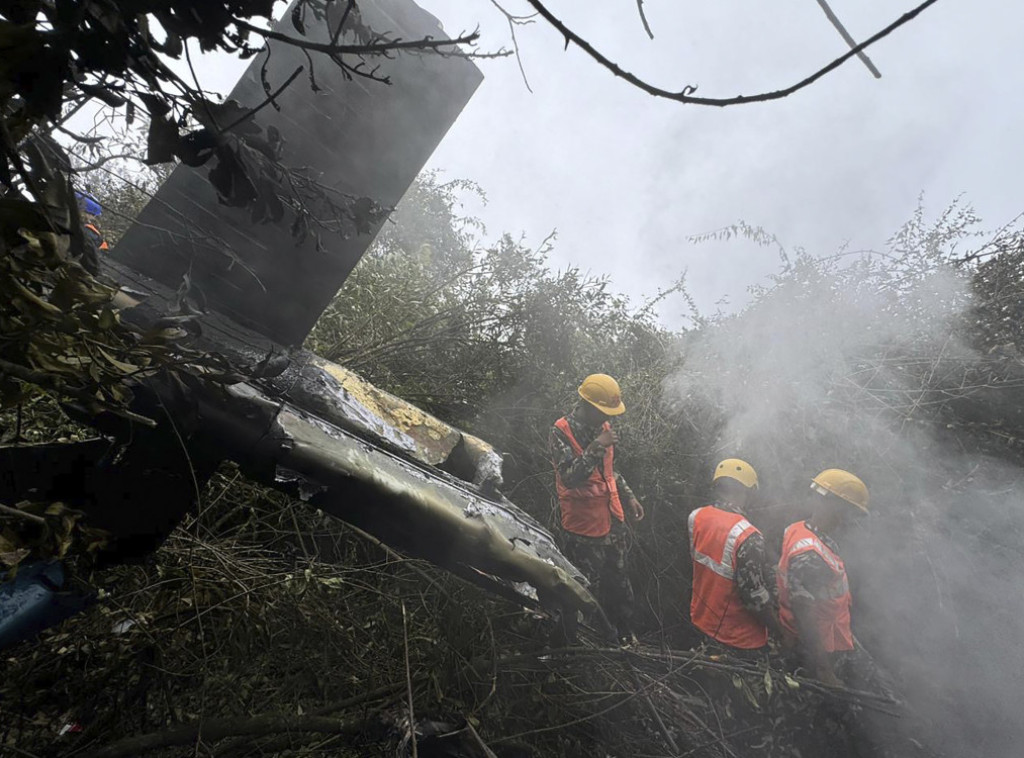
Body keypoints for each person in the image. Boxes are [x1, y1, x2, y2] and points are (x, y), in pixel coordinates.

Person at [549, 373, 644, 643]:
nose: (608, 418)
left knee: (619, 581)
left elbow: (610, 471)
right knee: (580, 587)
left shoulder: (602, 426)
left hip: (612, 521)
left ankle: (624, 635)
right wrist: (595, 448)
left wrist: (629, 497)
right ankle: (573, 642)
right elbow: (569, 477)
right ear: (588, 405)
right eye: (604, 411)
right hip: (582, 528)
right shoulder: (561, 431)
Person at [777, 468, 868, 685]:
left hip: (831, 636)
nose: (852, 519)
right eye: (851, 511)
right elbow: (804, 611)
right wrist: (823, 670)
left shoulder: (800, 529)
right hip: (822, 647)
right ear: (837, 508)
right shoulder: (811, 554)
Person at [688, 459, 780, 652]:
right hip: (739, 639)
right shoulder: (748, 535)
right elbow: (755, 599)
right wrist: (779, 630)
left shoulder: (696, 516)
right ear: (747, 490)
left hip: (702, 622)